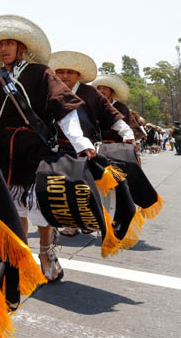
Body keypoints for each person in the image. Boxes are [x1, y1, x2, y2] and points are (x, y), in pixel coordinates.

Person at [0, 18, 96, 284]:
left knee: (41, 208)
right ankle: (19, 256)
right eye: (0, 44)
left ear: (22, 47)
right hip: (4, 152)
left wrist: (80, 141)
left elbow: (61, 105)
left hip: (36, 148)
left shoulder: (41, 73)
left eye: (10, 43)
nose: (4, 49)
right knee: (14, 208)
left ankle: (46, 253)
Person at [49, 51, 132, 235]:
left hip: (86, 150)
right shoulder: (50, 91)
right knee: (61, 188)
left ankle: (87, 221)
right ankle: (69, 223)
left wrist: (126, 132)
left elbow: (109, 114)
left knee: (84, 188)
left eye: (69, 72)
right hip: (57, 149)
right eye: (60, 72)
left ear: (78, 75)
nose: (64, 76)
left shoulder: (90, 93)